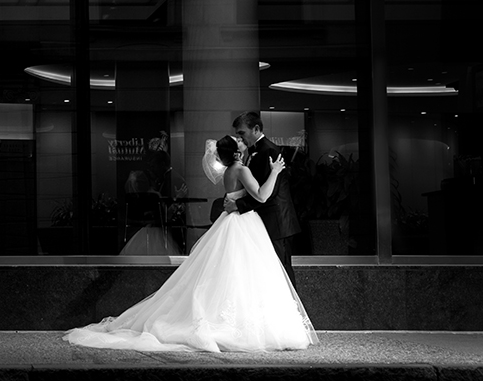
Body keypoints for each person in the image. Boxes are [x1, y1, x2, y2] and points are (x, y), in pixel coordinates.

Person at [63, 136, 317, 353]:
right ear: (237, 153)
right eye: (240, 142)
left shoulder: (230, 171)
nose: (243, 143)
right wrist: (275, 171)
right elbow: (262, 195)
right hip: (243, 224)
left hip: (231, 222)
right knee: (244, 273)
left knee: (231, 274)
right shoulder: (241, 170)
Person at [226, 111, 301, 287]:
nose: (240, 138)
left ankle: (292, 311)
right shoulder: (255, 151)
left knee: (281, 268)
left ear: (256, 129)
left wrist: (238, 205)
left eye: (242, 133)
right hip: (265, 220)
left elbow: (268, 192)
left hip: (277, 221)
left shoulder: (269, 150)